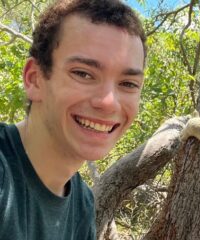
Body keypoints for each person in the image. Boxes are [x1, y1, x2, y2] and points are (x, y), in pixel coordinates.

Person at [0, 0, 146, 239]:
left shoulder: (82, 203)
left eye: (128, 84)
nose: (109, 102)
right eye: (83, 73)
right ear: (34, 79)